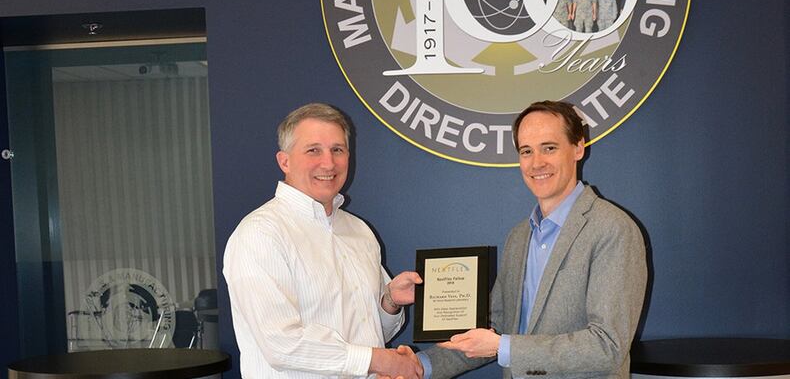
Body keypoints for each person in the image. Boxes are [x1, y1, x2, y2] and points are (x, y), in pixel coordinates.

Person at [416, 101, 648, 379]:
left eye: (549, 148)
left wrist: (503, 347)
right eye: (527, 151)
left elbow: (607, 346)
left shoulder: (613, 229)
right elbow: (494, 326)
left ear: (578, 148)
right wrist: (419, 366)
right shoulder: (518, 238)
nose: (537, 163)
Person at [224, 103, 423, 378]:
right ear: (284, 161)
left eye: (337, 150)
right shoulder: (260, 234)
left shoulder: (359, 231)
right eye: (313, 150)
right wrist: (380, 360)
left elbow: (371, 333)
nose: (328, 163)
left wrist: (389, 301)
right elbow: (281, 345)